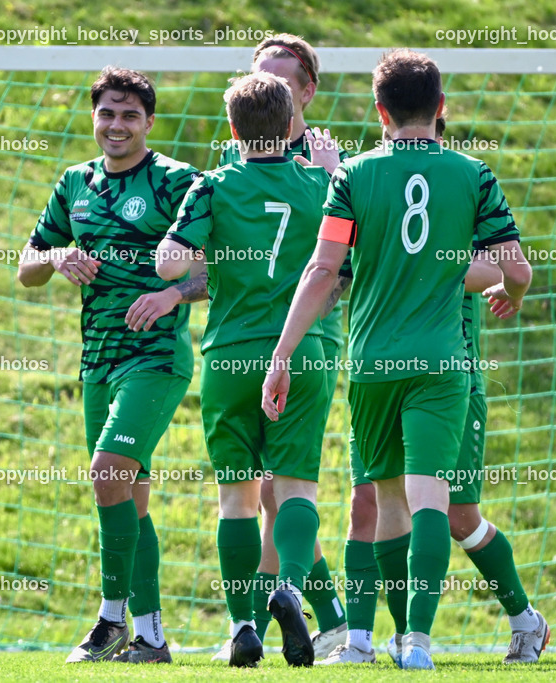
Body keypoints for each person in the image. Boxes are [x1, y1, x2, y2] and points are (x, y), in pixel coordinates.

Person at [261, 50, 533, 670]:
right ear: (440, 107)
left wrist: (282, 355)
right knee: (431, 498)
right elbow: (517, 270)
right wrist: (509, 294)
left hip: (373, 362)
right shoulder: (474, 174)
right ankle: (416, 645)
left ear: (380, 112)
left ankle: (365, 640)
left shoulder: (352, 176)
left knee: (385, 502)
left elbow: (323, 269)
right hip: (442, 363)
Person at [320, 115, 549, 666]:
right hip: (382, 369)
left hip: (451, 375)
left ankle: (524, 618)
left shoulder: (460, 195)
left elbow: (493, 266)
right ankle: (374, 640)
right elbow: (341, 260)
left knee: (456, 515)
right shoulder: (372, 183)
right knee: (369, 499)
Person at [17, 66, 207, 665]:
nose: (116, 124)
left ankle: (108, 621)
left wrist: (173, 294)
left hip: (154, 357)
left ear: (149, 122)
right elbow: (26, 267)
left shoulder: (179, 181)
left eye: (129, 115)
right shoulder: (74, 182)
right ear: (93, 117)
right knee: (128, 493)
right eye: (107, 113)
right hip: (96, 360)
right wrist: (57, 255)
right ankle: (151, 637)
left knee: (105, 472)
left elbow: (224, 266)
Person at [156, 71, 334, 668]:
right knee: (296, 488)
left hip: (231, 354)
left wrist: (187, 246)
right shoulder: (321, 185)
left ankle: (241, 626)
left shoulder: (211, 186)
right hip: (301, 351)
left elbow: (169, 266)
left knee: (236, 497)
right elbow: (349, 260)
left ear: (232, 130)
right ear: (290, 125)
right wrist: (331, 172)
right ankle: (289, 589)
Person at [213, 32, 350, 661]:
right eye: (260, 76)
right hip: (256, 340)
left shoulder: (332, 167)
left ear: (308, 91)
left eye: (284, 81)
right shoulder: (232, 163)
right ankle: (321, 615)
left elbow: (344, 267)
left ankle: (257, 625)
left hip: (302, 341)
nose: (270, 88)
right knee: (277, 491)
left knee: (269, 491)